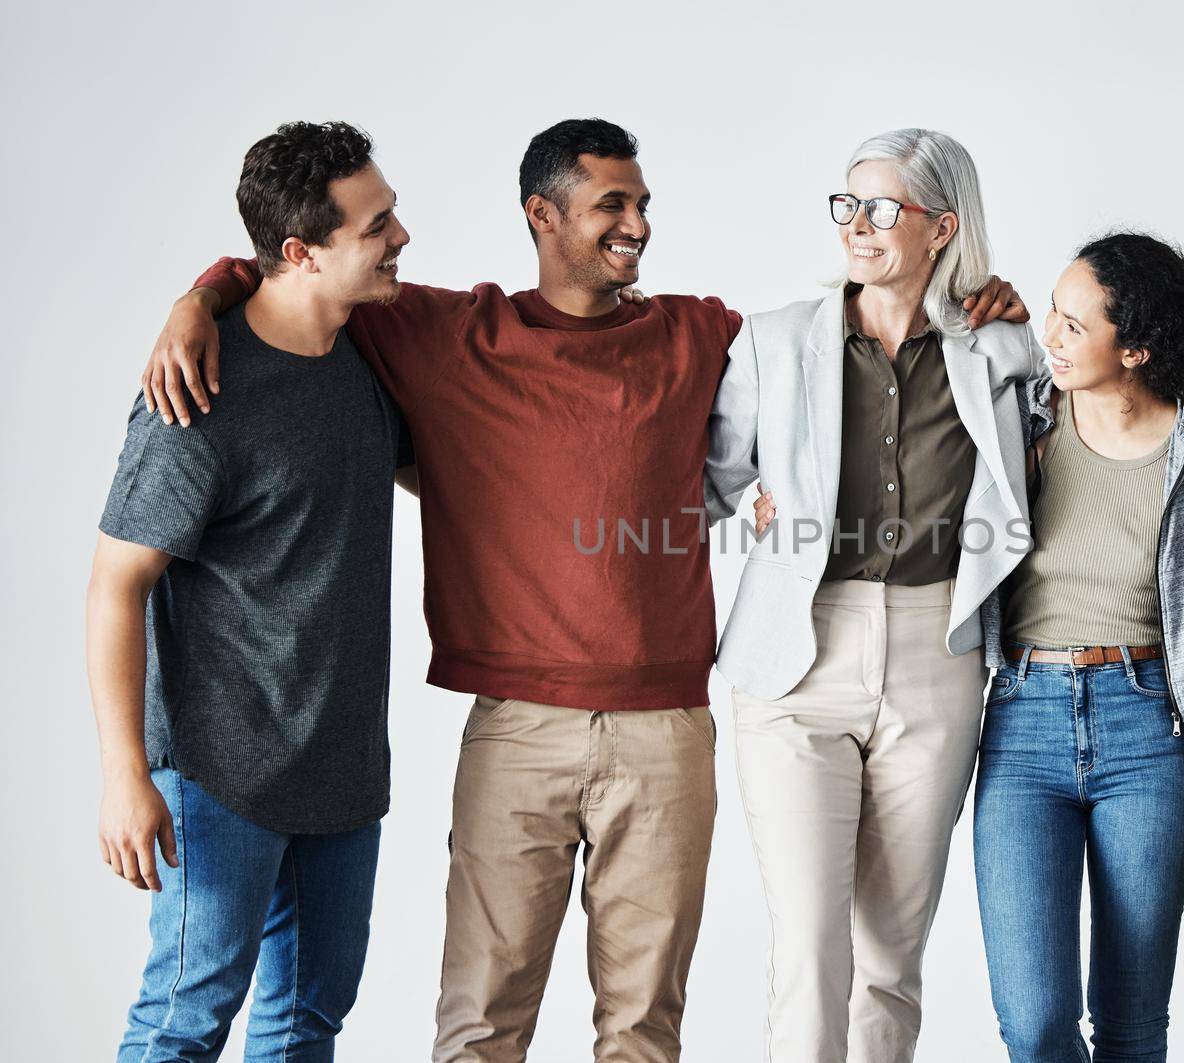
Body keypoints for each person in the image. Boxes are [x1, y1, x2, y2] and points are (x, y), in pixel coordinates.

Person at [140, 117, 1025, 1063]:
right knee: (481, 1021)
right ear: (542, 215)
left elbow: (818, 380)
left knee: (644, 1027)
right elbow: (299, 273)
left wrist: (982, 299)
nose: (638, 225)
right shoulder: (444, 331)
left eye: (643, 204)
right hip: (517, 726)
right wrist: (201, 297)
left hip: (667, 727)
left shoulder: (703, 334)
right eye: (613, 204)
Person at [704, 128, 1040, 1063]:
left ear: (942, 225)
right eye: (848, 203)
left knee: (891, 955)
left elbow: (1068, 435)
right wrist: (752, 503)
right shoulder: (774, 341)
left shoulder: (1001, 345)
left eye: (884, 207)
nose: (857, 224)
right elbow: (705, 481)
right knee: (810, 945)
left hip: (940, 654)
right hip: (795, 660)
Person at [88, 121, 414, 1061]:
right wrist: (124, 777)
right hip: (216, 770)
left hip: (343, 770)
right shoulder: (197, 392)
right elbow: (115, 585)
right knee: (185, 1020)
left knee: (307, 1021)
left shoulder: (367, 351)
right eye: (378, 224)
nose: (401, 236)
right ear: (303, 253)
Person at [964, 232, 1184, 1062]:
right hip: (1021, 722)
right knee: (1035, 1020)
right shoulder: (1019, 416)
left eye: (1071, 323)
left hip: (1149, 728)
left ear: (1134, 349)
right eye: (1051, 314)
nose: (1049, 336)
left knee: (1132, 1022)